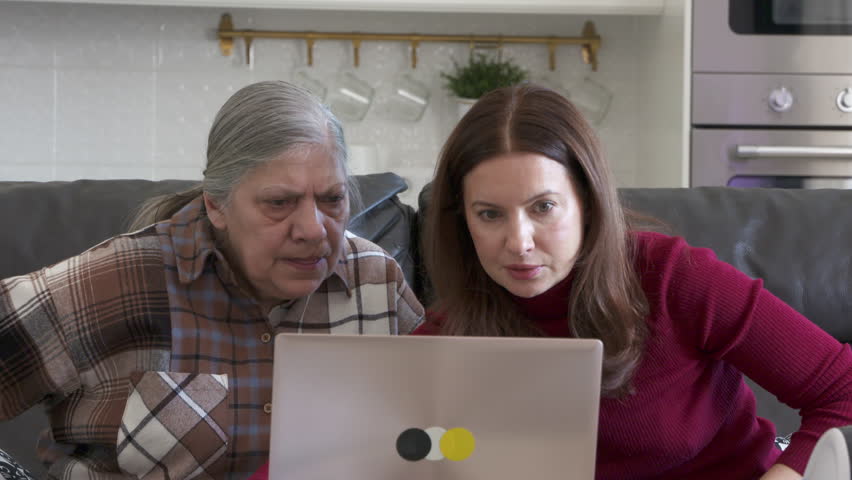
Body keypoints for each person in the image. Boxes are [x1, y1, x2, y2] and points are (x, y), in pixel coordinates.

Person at [412, 84, 852, 480]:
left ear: (587, 202)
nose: (519, 242)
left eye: (543, 207)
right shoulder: (447, 334)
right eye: (490, 214)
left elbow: (842, 390)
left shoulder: (672, 277)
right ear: (462, 220)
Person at [0, 81, 423, 479]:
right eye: (279, 202)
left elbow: (439, 434)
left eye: (332, 199)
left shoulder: (374, 280)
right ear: (216, 205)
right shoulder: (121, 280)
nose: (314, 229)